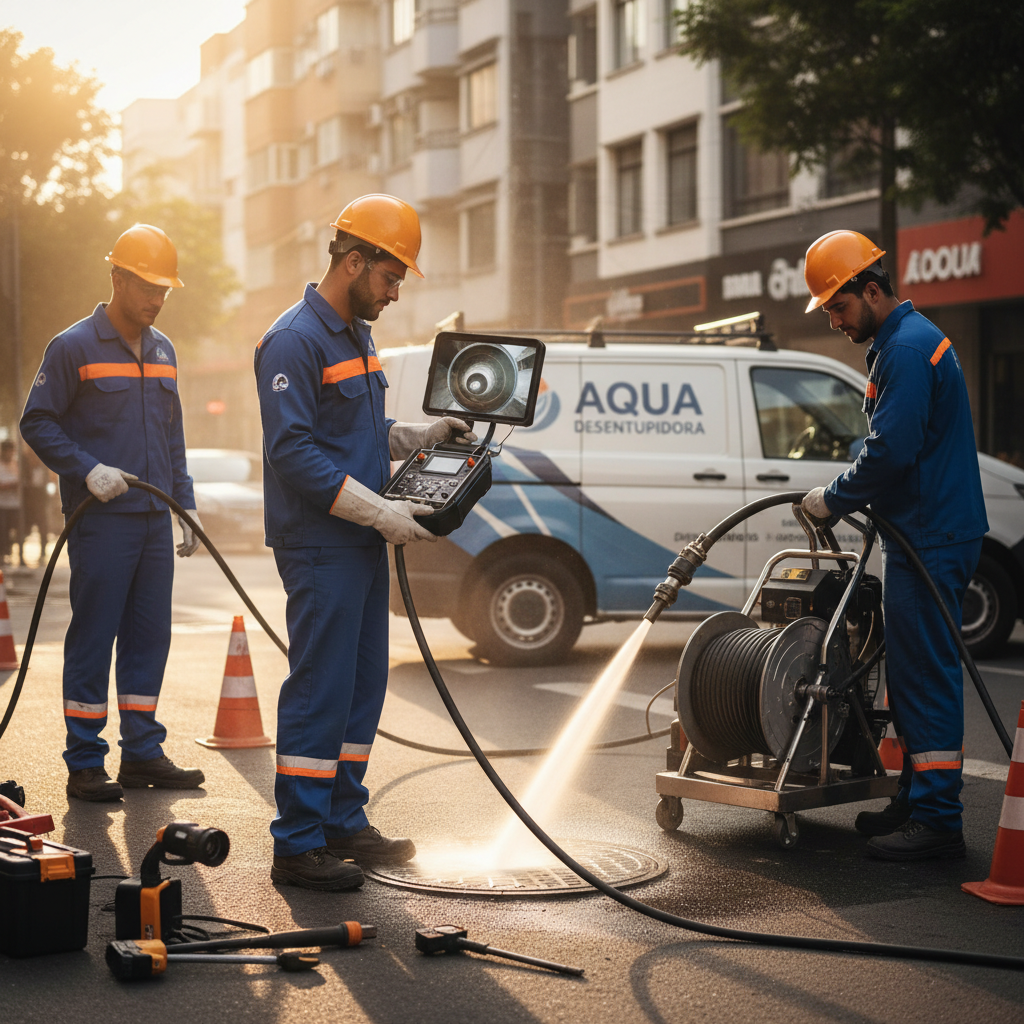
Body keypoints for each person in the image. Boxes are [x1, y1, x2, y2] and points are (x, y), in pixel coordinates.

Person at [255, 194, 474, 891]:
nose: (396, 289)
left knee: (360, 686)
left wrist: (424, 437)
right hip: (321, 543)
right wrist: (381, 514)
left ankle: (342, 820)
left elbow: (361, 436)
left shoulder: (355, 334)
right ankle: (296, 843)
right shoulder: (292, 340)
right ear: (354, 262)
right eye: (390, 275)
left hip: (356, 539)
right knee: (320, 689)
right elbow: (293, 452)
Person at [800, 229, 988, 861]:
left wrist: (833, 496)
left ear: (871, 289)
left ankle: (938, 822)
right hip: (926, 531)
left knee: (925, 676)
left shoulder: (905, 350)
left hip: (931, 535)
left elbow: (891, 452)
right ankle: (916, 796)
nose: (833, 320)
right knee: (910, 674)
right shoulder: (904, 342)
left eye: (838, 306)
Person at [20, 224, 206, 803]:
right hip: (99, 522)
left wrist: (186, 502)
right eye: (147, 286)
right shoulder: (72, 346)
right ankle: (84, 761)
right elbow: (37, 421)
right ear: (118, 278)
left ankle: (143, 753)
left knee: (150, 639)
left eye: (164, 291)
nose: (155, 299)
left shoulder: (164, 349)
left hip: (154, 519)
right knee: (94, 638)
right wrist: (85, 468)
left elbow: (172, 435)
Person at [0, 440, 18, 565]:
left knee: (13, 531)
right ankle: (3, 554)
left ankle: (9, 553)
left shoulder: (16, 464)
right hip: (2, 504)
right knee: (3, 530)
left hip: (15, 504)